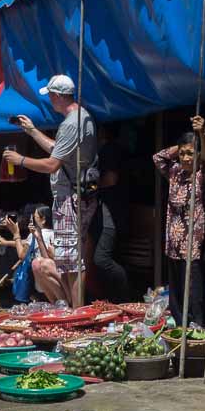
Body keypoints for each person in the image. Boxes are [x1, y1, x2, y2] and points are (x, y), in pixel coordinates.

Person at [3, 75, 99, 307]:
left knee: (72, 260)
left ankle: (77, 311)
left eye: (51, 97)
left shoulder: (70, 124)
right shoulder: (82, 117)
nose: (50, 102)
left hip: (70, 198)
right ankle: (71, 308)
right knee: (67, 259)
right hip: (79, 195)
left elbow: (52, 164)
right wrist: (32, 131)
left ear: (57, 96)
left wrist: (21, 160)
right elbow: (60, 150)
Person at [153, 116, 205, 327]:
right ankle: (180, 325)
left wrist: (201, 134)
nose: (186, 158)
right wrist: (181, 146)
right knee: (176, 288)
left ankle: (197, 325)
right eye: (183, 154)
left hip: (194, 243)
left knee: (194, 287)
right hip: (173, 242)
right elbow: (158, 158)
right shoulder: (174, 172)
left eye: (190, 153)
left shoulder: (202, 175)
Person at [93, 124, 129, 301]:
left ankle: (124, 294)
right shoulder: (110, 150)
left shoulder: (110, 150)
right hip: (110, 212)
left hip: (111, 213)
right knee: (111, 256)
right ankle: (113, 298)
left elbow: (111, 179)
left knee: (101, 258)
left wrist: (91, 186)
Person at [0, 206, 59, 303]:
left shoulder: (35, 235)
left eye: (35, 217)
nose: (32, 220)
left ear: (43, 220)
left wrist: (15, 233)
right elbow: (27, 243)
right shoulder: (54, 234)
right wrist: (7, 243)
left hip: (40, 285)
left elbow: (22, 255)